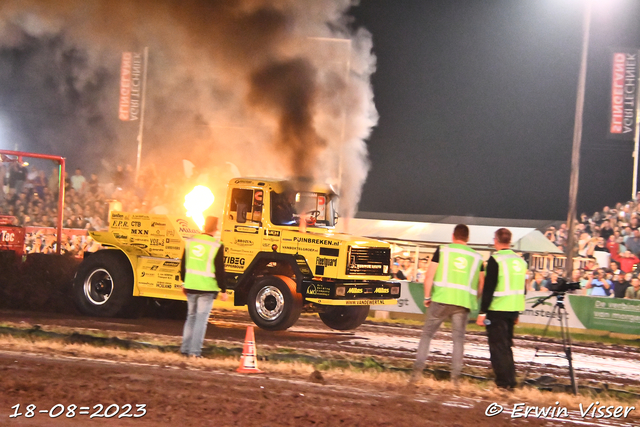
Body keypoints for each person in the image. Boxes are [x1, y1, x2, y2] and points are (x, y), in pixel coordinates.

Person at [410, 224, 484, 385]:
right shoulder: (477, 257)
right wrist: (472, 298)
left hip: (441, 299)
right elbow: (481, 284)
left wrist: (427, 297)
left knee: (427, 336)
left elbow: (429, 276)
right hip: (463, 303)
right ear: (468, 238)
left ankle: (416, 374)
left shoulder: (442, 250)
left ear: (453, 236)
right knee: (458, 340)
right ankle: (455, 380)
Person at [477, 228, 526, 390]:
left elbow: (489, 289)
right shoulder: (520, 261)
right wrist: (517, 312)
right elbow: (522, 288)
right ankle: (511, 380)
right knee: (507, 346)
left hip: (497, 309)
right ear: (510, 241)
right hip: (513, 309)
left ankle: (503, 383)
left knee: (498, 347)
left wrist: (482, 312)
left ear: (495, 240)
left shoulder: (495, 260)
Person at [180, 216, 228, 358]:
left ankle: (185, 349)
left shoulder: (190, 242)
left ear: (204, 227)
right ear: (215, 229)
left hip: (191, 286)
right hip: (207, 288)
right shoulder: (216, 245)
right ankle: (195, 352)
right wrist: (223, 289)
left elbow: (183, 265)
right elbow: (220, 270)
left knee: (191, 317)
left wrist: (184, 282)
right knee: (201, 320)